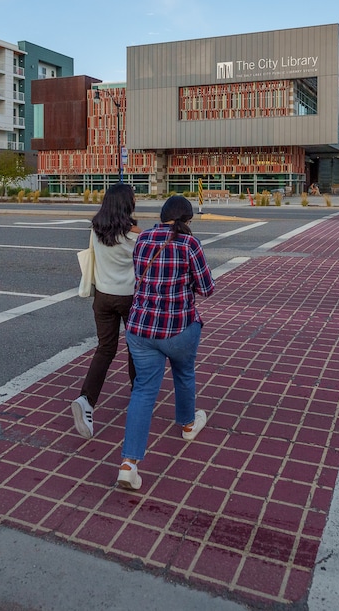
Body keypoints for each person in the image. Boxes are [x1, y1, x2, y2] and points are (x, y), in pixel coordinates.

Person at [117, 195, 215, 490]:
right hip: (177, 329)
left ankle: (128, 464)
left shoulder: (144, 238)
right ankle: (187, 425)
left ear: (162, 216)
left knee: (144, 391)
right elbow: (207, 288)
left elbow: (139, 277)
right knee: (183, 372)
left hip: (140, 329)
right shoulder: (189, 244)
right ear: (187, 220)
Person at [71, 183, 141, 439]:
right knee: (136, 347)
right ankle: (139, 394)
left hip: (102, 297)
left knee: (105, 349)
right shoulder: (136, 235)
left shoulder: (96, 230)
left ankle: (86, 401)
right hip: (129, 298)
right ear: (127, 204)